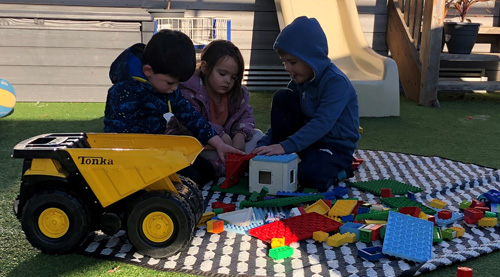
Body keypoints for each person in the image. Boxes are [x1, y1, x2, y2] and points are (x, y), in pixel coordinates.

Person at [103, 30, 243, 185]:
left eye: (178, 83)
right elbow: (120, 137)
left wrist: (219, 144)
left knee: (206, 170)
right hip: (134, 159)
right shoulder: (124, 91)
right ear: (148, 71)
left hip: (158, 151)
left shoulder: (166, 86)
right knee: (191, 178)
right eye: (170, 83)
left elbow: (190, 116)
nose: (175, 88)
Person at [253, 16, 360, 191]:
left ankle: (342, 169)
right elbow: (280, 122)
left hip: (335, 146)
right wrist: (264, 146)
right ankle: (276, 159)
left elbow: (322, 123)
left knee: (309, 176)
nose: (287, 68)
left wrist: (285, 147)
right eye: (284, 62)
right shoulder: (297, 85)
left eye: (292, 62)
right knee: (283, 97)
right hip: (309, 143)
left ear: (311, 58)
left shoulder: (336, 82)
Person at [167, 40, 262, 177]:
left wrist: (240, 135)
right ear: (205, 68)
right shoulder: (190, 90)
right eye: (222, 74)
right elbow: (190, 125)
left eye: (233, 77)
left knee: (258, 136)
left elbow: (246, 117)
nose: (228, 81)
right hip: (197, 144)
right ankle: (225, 167)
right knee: (192, 153)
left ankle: (231, 165)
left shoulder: (237, 95)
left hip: (227, 143)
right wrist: (222, 136)